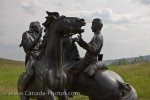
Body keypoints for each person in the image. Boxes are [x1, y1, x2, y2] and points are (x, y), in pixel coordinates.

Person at [19, 21, 43, 92]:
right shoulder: (26, 34)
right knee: (30, 73)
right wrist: (39, 37)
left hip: (40, 57)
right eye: (39, 26)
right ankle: (22, 89)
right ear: (35, 27)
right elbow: (29, 47)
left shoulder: (40, 38)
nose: (40, 27)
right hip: (31, 58)